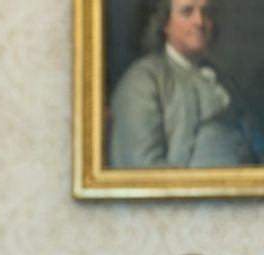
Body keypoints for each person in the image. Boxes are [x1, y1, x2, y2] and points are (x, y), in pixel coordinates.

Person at [109, 0, 263, 168]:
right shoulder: (142, 80)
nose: (199, 22)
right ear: (165, 23)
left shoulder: (225, 81)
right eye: (187, 12)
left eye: (206, 13)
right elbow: (141, 167)